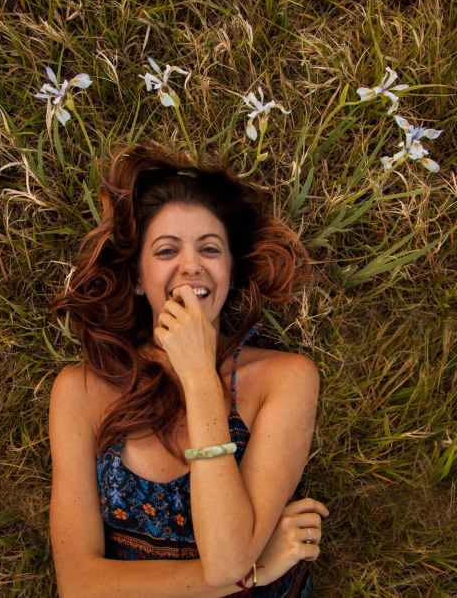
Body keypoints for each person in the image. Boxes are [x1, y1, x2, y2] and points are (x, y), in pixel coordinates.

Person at [49, 141, 328, 596]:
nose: (191, 266)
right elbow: (80, 584)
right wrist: (254, 571)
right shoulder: (80, 392)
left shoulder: (286, 380)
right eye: (166, 251)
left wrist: (200, 377)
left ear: (231, 272)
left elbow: (226, 557)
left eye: (210, 249)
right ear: (139, 278)